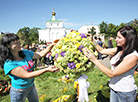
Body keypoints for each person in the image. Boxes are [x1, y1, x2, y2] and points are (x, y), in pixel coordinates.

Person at [83, 26, 138, 102]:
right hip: (114, 88)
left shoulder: (133, 56)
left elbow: (112, 74)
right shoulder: (119, 50)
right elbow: (102, 50)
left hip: (125, 93)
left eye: (119, 37)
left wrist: (95, 60)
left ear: (128, 39)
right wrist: (92, 40)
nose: (116, 39)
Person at [0, 33, 59, 102]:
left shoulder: (25, 53)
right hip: (19, 91)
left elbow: (40, 54)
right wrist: (46, 69)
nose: (20, 44)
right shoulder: (9, 64)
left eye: (19, 41)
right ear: (8, 45)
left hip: (31, 86)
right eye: (16, 43)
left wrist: (51, 45)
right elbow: (27, 75)